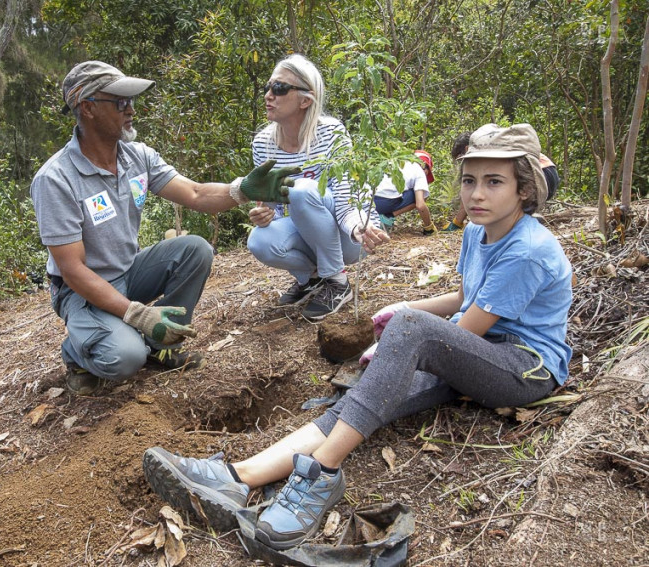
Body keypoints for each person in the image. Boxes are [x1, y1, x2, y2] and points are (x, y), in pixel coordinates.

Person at [143, 123, 573, 552]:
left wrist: (402, 340)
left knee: (398, 351)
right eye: (469, 180)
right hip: (476, 353)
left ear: (525, 191)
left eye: (494, 182)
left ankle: (322, 475)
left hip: (521, 368)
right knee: (366, 397)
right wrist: (399, 313)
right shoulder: (479, 231)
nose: (476, 194)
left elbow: (458, 332)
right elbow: (463, 296)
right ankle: (239, 476)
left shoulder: (527, 249)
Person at [31, 61, 346, 395]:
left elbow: (195, 193)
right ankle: (77, 353)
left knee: (194, 249)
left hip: (126, 272)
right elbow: (73, 270)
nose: (131, 110)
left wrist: (242, 190)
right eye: (120, 102)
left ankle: (161, 346)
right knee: (124, 358)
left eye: (132, 101)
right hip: (81, 290)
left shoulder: (136, 157)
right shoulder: (56, 179)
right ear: (88, 108)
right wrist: (138, 315)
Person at [245, 55, 388, 320]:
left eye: (279, 88)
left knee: (302, 189)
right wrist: (264, 217)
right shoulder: (263, 143)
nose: (268, 95)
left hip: (348, 237)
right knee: (259, 241)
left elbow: (346, 195)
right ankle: (311, 280)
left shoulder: (331, 133)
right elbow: (274, 209)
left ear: (305, 100)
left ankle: (337, 282)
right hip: (312, 233)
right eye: (268, 87)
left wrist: (359, 227)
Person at [442, 131, 560, 231]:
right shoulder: (494, 140)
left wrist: (457, 223)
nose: (476, 195)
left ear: (467, 149)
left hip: (540, 173)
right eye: (468, 181)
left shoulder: (486, 148)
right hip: (549, 171)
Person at [373, 150, 437, 235]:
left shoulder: (397, 162)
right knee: (419, 196)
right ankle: (388, 217)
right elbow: (420, 205)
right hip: (384, 204)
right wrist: (429, 227)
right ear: (426, 168)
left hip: (370, 202)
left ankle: (384, 217)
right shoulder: (420, 171)